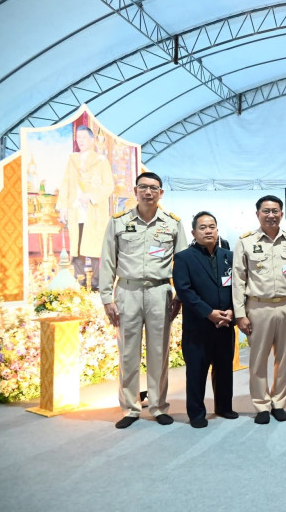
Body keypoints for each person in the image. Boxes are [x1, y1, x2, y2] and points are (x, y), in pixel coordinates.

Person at [99, 172, 187, 428]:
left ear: (161, 193)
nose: (149, 192)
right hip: (128, 292)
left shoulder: (172, 224)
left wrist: (180, 295)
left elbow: (182, 263)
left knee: (159, 352)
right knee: (128, 353)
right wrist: (107, 298)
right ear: (135, 191)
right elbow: (107, 260)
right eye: (144, 187)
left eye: (154, 188)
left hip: (160, 292)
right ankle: (130, 408)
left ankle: (158, 406)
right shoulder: (118, 222)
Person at [233, 195, 286, 425]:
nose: (271, 215)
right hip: (258, 306)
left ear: (282, 214)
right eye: (266, 211)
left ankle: (279, 403)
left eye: (275, 211)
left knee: (285, 359)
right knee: (258, 359)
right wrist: (240, 314)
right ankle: (261, 404)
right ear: (258, 214)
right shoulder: (245, 242)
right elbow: (238, 280)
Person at [172, 211, 238, 428]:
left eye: (212, 227)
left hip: (225, 324)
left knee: (224, 368)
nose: (208, 231)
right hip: (198, 326)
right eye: (202, 227)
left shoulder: (229, 256)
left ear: (217, 230)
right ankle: (196, 413)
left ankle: (224, 407)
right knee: (196, 371)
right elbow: (184, 290)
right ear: (193, 232)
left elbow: (237, 287)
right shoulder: (184, 258)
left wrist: (231, 311)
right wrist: (209, 312)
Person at [56, 125, 114, 290]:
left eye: (84, 137)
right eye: (78, 138)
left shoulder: (101, 161)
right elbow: (65, 184)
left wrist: (90, 196)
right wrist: (63, 207)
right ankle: (79, 284)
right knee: (77, 248)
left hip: (94, 212)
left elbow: (108, 185)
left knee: (96, 249)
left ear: (92, 140)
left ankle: (97, 285)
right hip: (76, 210)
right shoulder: (72, 160)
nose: (80, 141)